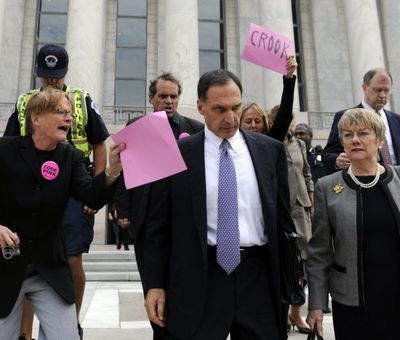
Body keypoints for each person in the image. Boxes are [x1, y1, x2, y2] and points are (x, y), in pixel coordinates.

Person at [142, 69, 295, 340]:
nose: (231, 117)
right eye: (220, 109)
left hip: (257, 277)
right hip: (200, 277)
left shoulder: (269, 152)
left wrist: (290, 280)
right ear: (201, 106)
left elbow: (283, 219)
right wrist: (154, 285)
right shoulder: (177, 156)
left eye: (236, 107)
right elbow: (157, 227)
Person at [4, 44, 109, 340]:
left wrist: (100, 184)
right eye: (46, 75)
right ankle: (24, 333)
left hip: (72, 185)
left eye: (56, 76)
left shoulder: (80, 101)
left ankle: (70, 322)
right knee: (22, 260)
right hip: (30, 189)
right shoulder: (26, 103)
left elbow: (101, 143)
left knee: (71, 256)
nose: (51, 81)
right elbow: (8, 147)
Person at [115, 72, 204, 339]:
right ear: (151, 98)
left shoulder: (195, 128)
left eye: (173, 96)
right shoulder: (137, 127)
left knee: (181, 292)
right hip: (149, 225)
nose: (168, 101)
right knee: (154, 293)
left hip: (184, 224)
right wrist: (124, 211)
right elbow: (124, 175)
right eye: (162, 96)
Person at [306, 108, 400, 339]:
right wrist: (316, 304)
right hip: (352, 300)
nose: (355, 139)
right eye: (348, 135)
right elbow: (320, 252)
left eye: (363, 133)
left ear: (379, 140)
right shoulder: (327, 187)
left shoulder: (398, 179)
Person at [323, 68, 400, 174]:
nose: (382, 95)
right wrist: (337, 160)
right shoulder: (346, 117)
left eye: (386, 90)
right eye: (377, 90)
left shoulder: (396, 120)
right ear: (364, 88)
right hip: (363, 182)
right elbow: (328, 153)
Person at [240, 55, 298, 142]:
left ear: (264, 124)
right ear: (239, 124)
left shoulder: (270, 142)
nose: (253, 125)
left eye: (257, 121)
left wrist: (289, 78)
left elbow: (284, 116)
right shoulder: (233, 144)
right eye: (248, 121)